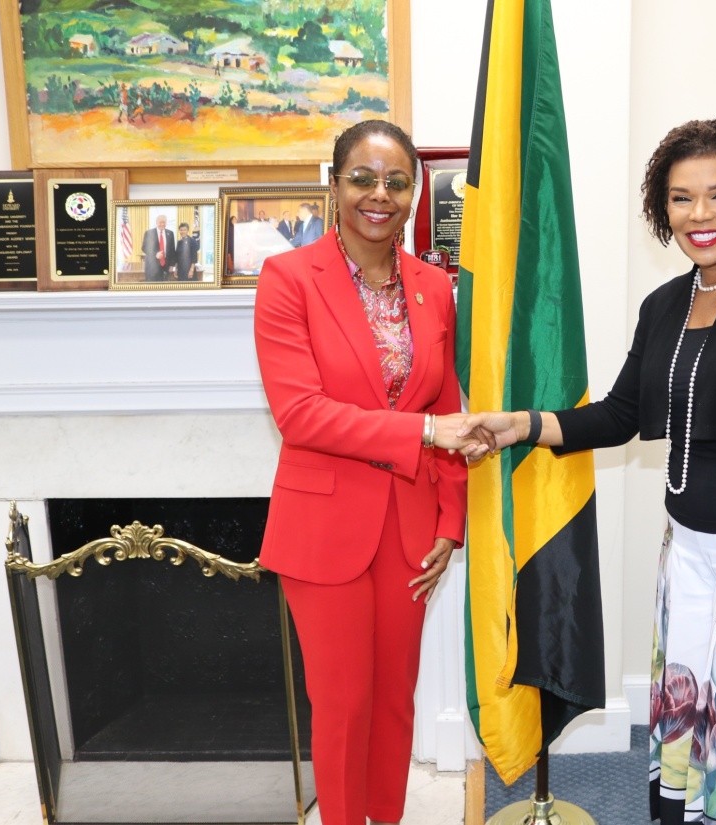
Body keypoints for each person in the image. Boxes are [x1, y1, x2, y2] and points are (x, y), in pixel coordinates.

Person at [459, 119, 716, 825]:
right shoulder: (665, 306)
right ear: (664, 211)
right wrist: (521, 425)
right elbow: (619, 414)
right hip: (685, 552)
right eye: (682, 199)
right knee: (692, 728)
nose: (700, 215)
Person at [253, 119, 475, 825]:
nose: (380, 195)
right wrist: (425, 432)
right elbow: (303, 415)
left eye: (396, 181)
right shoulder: (288, 279)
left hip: (410, 530)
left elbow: (447, 405)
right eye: (363, 178)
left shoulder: (435, 287)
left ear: (413, 192)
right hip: (323, 534)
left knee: (392, 701)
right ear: (334, 184)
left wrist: (450, 520)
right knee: (344, 706)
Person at [141, 215, 175, 281]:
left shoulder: (170, 233)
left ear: (166, 223)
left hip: (165, 266)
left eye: (164, 222)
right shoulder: (149, 233)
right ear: (156, 223)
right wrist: (155, 254)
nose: (162, 224)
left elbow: (172, 250)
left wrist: (172, 264)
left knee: (163, 288)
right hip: (152, 266)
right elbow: (144, 247)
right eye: (160, 222)